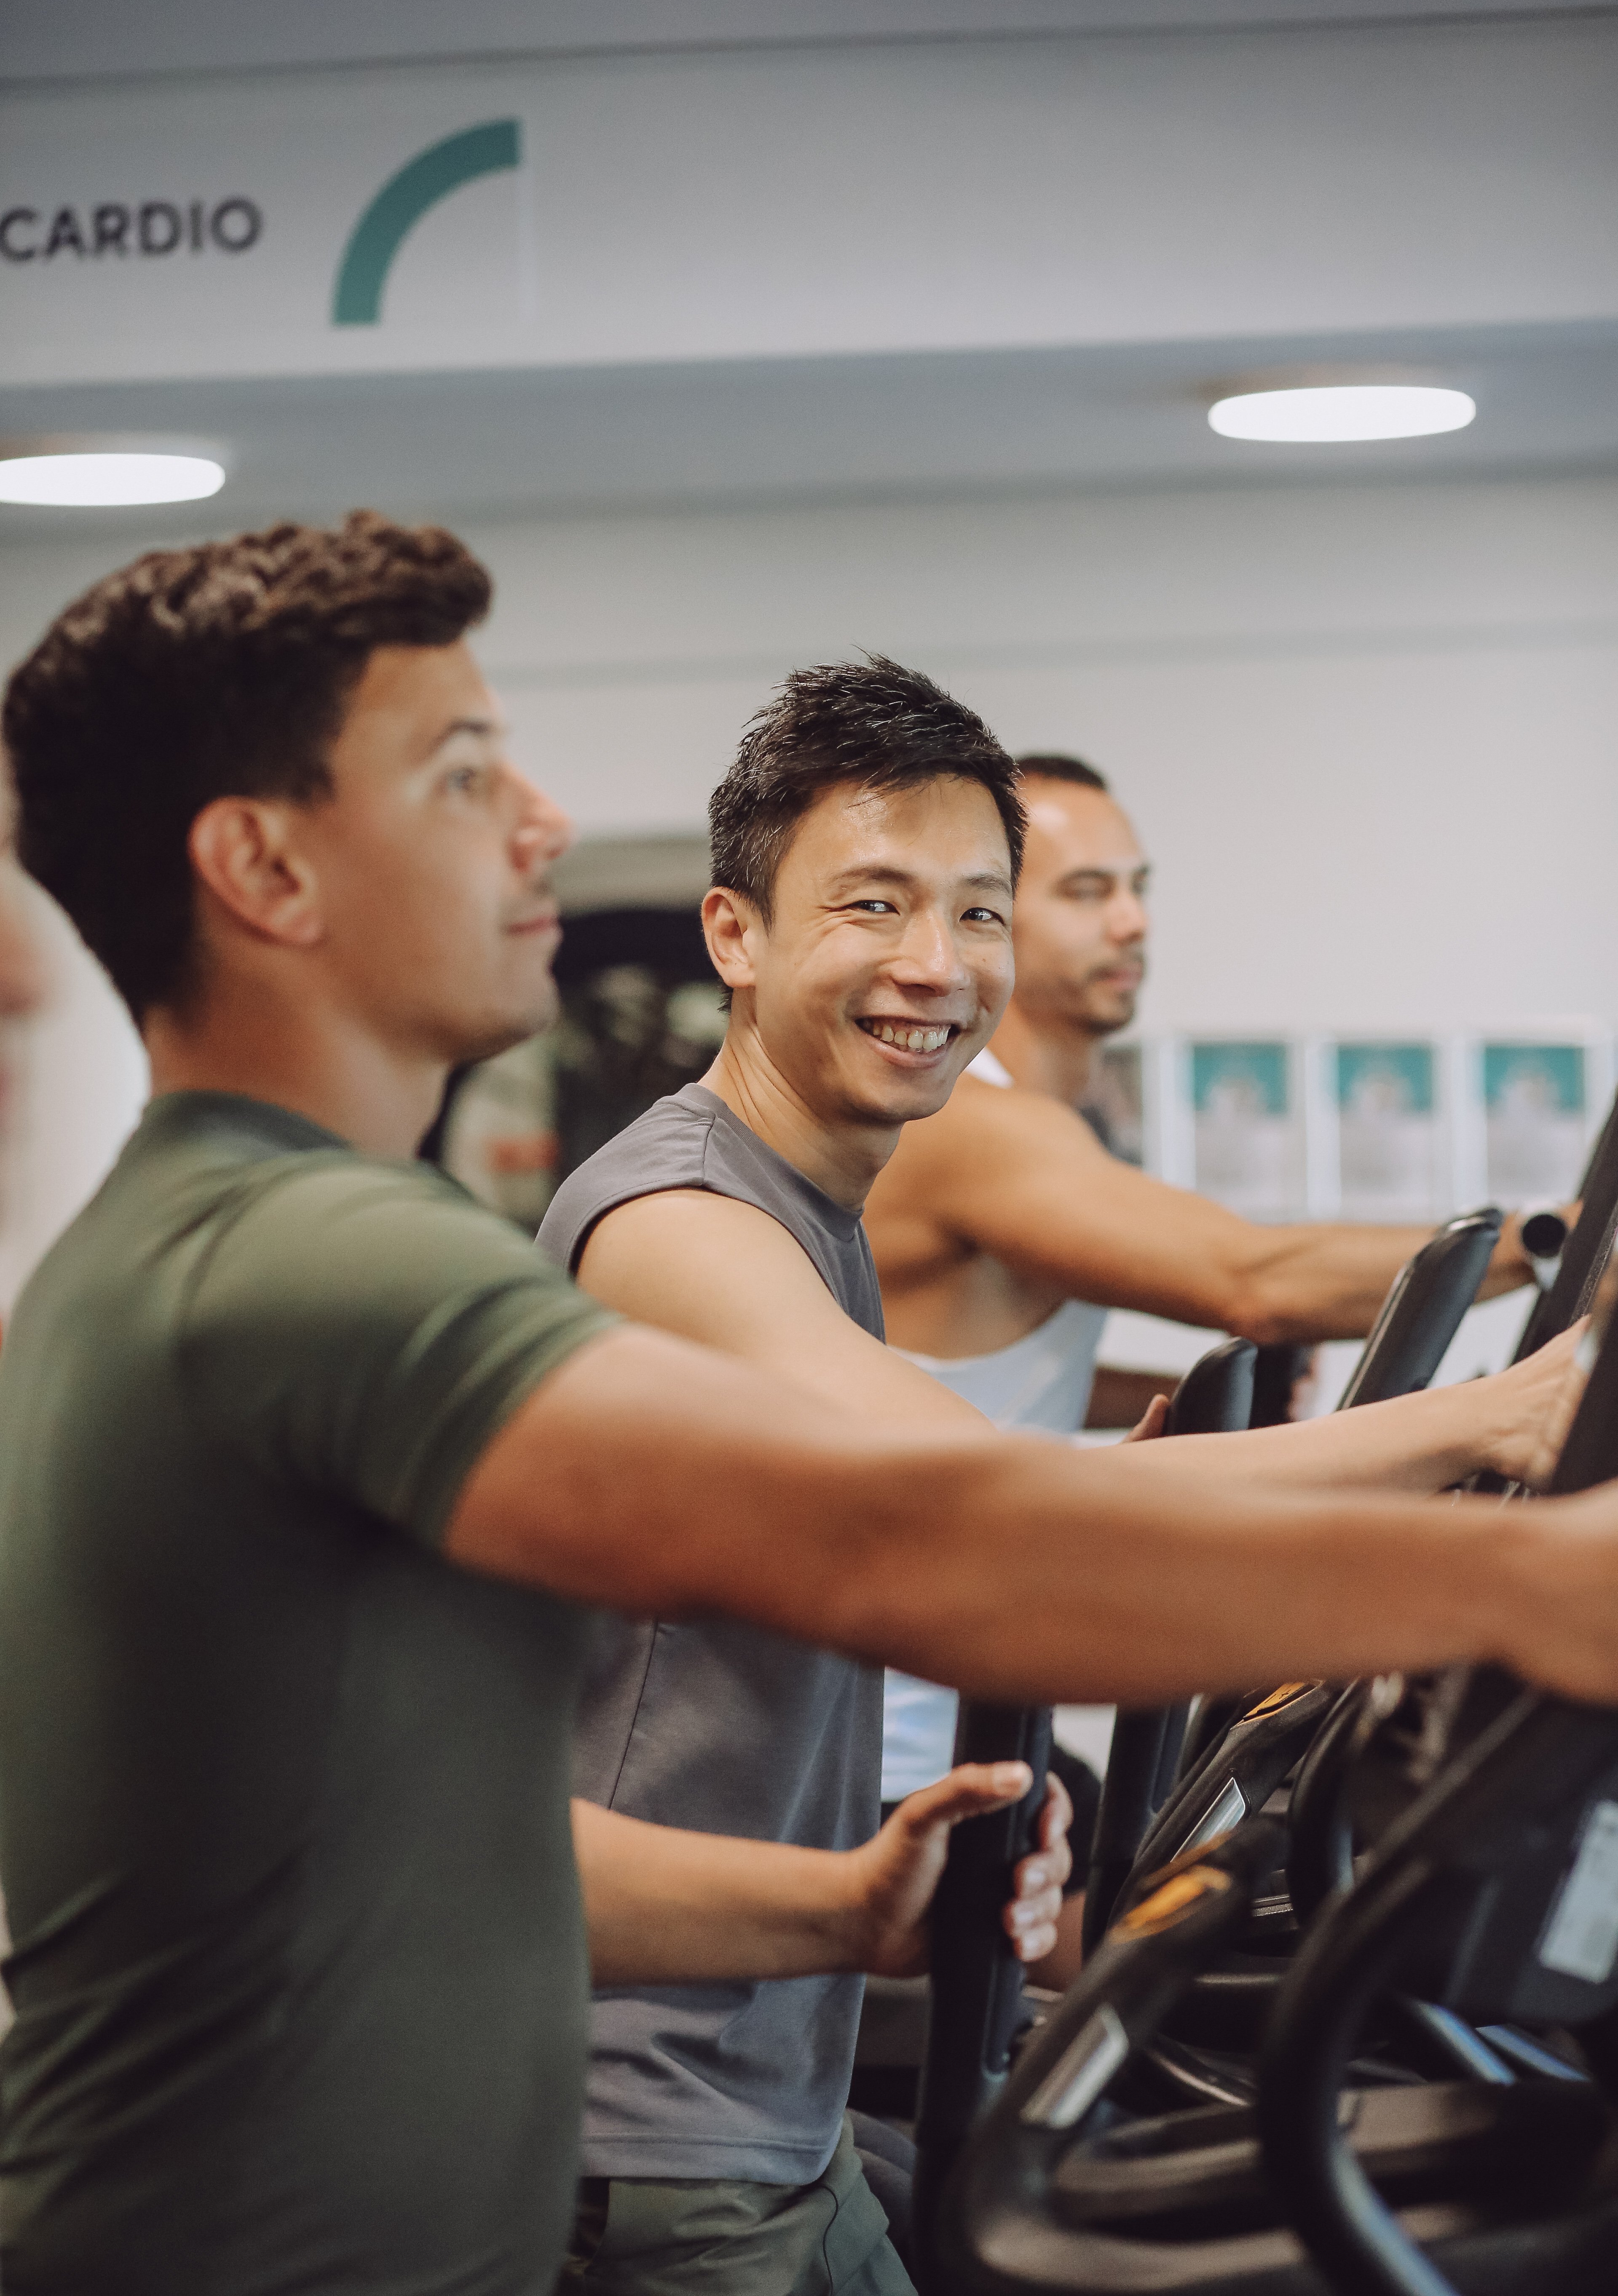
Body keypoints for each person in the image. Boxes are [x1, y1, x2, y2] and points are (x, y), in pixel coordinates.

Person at [0, 525, 1608, 2296]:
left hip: (631, 2148)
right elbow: (929, 1537)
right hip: (542, 2193)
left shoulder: (239, 1235)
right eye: (467, 777)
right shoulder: (345, 1257)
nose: (540, 819)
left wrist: (843, 1912)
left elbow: (450, 1835)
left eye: (978, 908)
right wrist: (1518, 1572)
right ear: (263, 869)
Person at [537, 657, 1586, 2294]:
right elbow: (985, 1526)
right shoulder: (677, 1224)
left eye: (976, 914)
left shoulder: (803, 1212)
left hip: (760, 2096)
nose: (934, 967)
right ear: (734, 937)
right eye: (872, 906)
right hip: (644, 2127)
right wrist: (1492, 1426)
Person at [863, 749, 1556, 1805]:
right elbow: (1254, 1276)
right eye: (1088, 893)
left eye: (1138, 890)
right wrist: (1552, 1244)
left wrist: (1184, 1408)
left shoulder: (1041, 1126)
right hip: (895, 1771)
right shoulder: (969, 1125)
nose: (1133, 924)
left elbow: (964, 1379)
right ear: (986, 921)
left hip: (981, 1718)